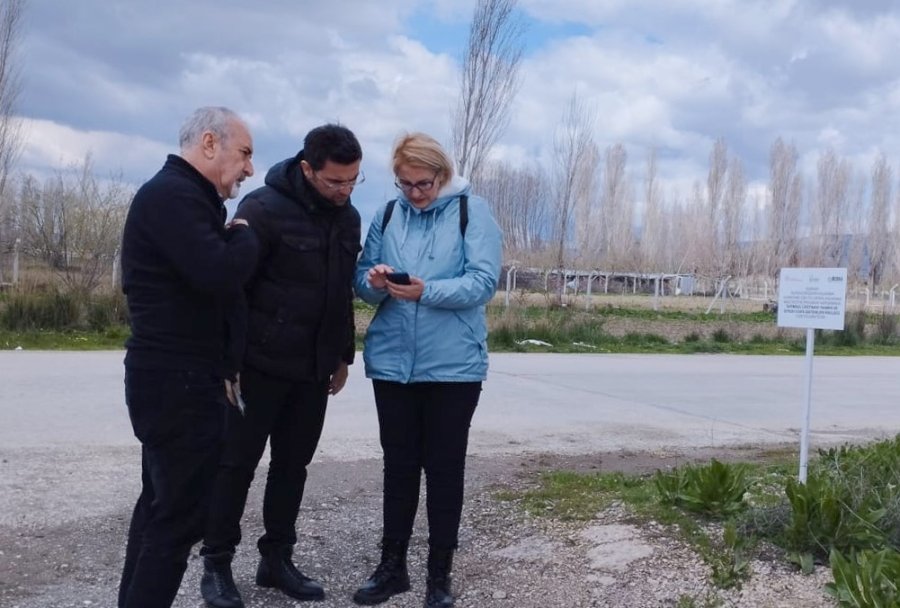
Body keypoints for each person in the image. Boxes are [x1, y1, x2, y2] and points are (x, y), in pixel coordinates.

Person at [199, 124, 363, 607]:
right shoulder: (262, 210)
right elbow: (232, 292)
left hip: (312, 371)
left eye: (353, 180)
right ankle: (216, 564)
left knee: (293, 468)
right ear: (308, 169)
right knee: (235, 467)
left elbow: (341, 293)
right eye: (335, 181)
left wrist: (342, 355)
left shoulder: (348, 217)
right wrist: (228, 363)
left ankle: (276, 559)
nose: (345, 190)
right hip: (258, 367)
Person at [352, 132, 502, 607]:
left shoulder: (472, 212)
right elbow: (362, 281)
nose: (415, 193)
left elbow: (483, 282)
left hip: (453, 367)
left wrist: (427, 291)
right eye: (405, 184)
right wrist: (376, 281)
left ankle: (439, 575)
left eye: (423, 184)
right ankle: (391, 567)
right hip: (392, 364)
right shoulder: (387, 215)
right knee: (398, 468)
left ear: (442, 175)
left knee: (443, 470)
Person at [118, 106, 259, 608]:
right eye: (244, 153)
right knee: (176, 520)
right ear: (209, 143)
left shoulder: (187, 197)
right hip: (176, 381)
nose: (249, 168)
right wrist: (243, 233)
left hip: (177, 378)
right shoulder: (173, 197)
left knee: (161, 509)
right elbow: (220, 274)